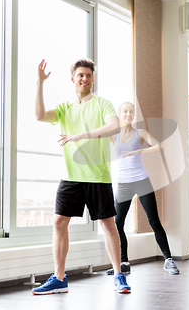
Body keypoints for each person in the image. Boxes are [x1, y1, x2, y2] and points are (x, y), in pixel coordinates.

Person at [32, 59, 131, 295]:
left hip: (98, 176)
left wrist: (79, 136)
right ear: (73, 79)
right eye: (80, 75)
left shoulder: (102, 104)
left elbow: (115, 127)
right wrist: (39, 82)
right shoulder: (66, 108)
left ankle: (119, 275)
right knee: (58, 222)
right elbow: (39, 116)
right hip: (71, 176)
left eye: (88, 75)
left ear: (93, 79)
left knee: (108, 224)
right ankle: (59, 278)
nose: (84, 79)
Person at [105, 101, 179, 276]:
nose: (129, 114)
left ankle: (168, 260)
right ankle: (123, 262)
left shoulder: (140, 133)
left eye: (131, 111)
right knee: (117, 224)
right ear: (119, 114)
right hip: (123, 183)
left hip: (141, 180)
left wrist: (138, 152)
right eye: (125, 111)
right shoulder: (113, 135)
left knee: (154, 221)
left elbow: (160, 147)